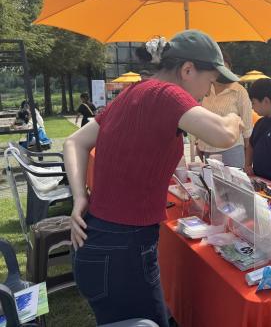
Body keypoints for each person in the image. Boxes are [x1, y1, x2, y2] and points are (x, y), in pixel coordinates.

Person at [64, 30, 243, 327]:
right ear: (188, 70)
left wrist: (80, 197)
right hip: (124, 253)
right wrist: (234, 118)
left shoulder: (132, 93)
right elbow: (223, 135)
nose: (209, 92)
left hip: (99, 244)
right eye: (210, 81)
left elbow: (74, 142)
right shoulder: (167, 94)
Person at [196, 52, 253, 168]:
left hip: (231, 150)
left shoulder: (239, 91)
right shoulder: (206, 89)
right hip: (207, 149)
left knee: (232, 180)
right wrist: (199, 143)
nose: (222, 74)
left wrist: (248, 163)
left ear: (230, 70)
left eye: (225, 70)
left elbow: (247, 128)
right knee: (210, 180)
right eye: (218, 70)